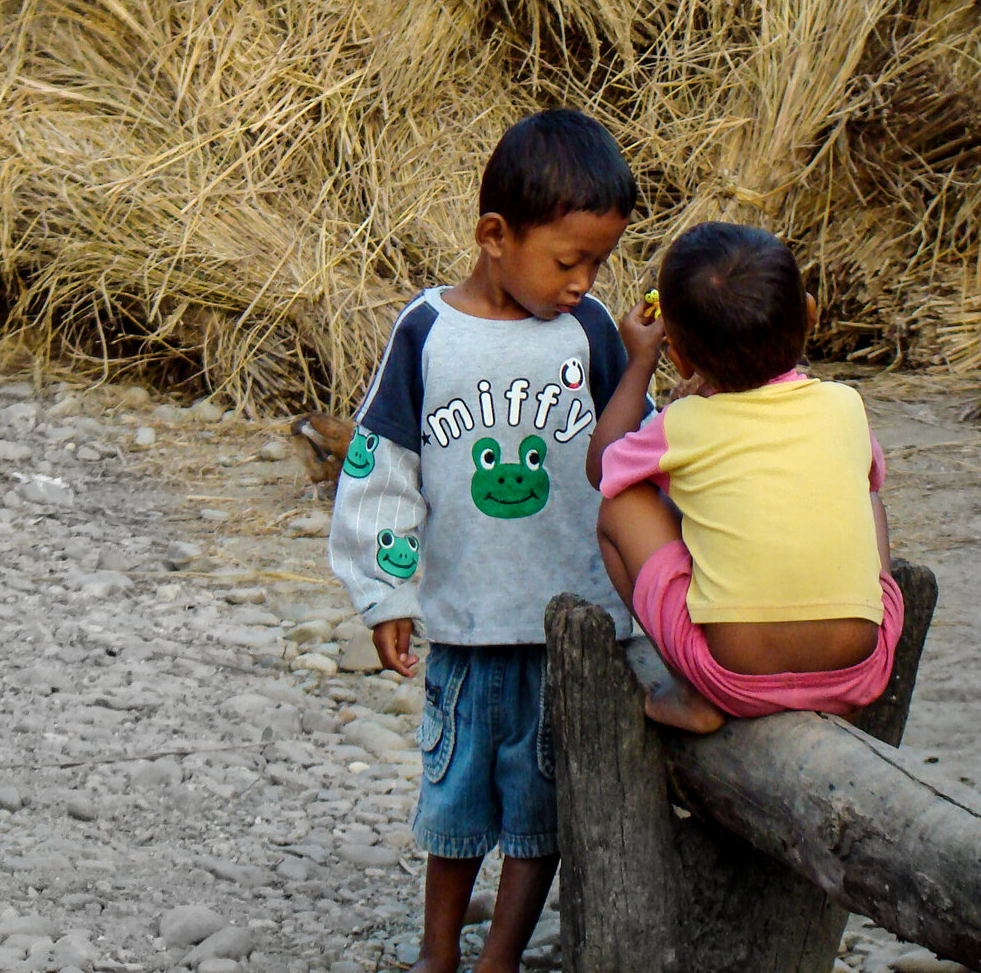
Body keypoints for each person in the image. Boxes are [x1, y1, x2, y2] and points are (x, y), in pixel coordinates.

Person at [327, 109, 639, 973]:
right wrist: (384, 592)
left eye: (597, 263)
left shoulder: (592, 334)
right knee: (454, 805)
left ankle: (500, 957)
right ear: (494, 236)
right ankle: (437, 953)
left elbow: (639, 455)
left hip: (573, 632)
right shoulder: (428, 332)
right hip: (464, 627)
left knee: (540, 814)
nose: (582, 282)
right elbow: (383, 465)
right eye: (567, 261)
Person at [586, 220, 904, 735]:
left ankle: (690, 692)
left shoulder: (683, 424)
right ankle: (836, 688)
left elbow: (602, 470)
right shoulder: (845, 404)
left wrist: (639, 363)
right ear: (809, 314)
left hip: (731, 679)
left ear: (678, 356)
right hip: (861, 671)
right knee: (866, 492)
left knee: (620, 506)